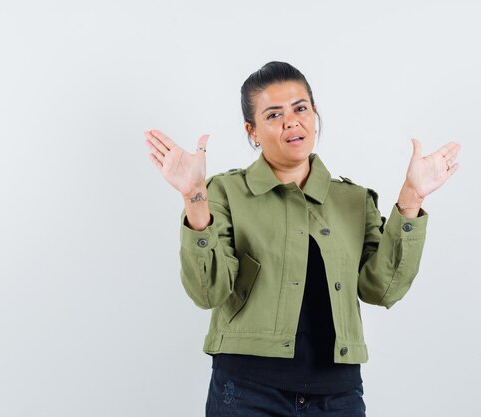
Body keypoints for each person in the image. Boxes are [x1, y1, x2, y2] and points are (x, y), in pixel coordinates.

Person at [145, 61, 460, 417]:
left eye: (300, 109)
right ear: (253, 131)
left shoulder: (354, 200)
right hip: (247, 392)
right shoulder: (224, 192)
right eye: (274, 114)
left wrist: (413, 196)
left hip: (338, 396)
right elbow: (207, 293)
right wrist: (193, 196)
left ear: (314, 115)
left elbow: (382, 289)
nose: (292, 121)